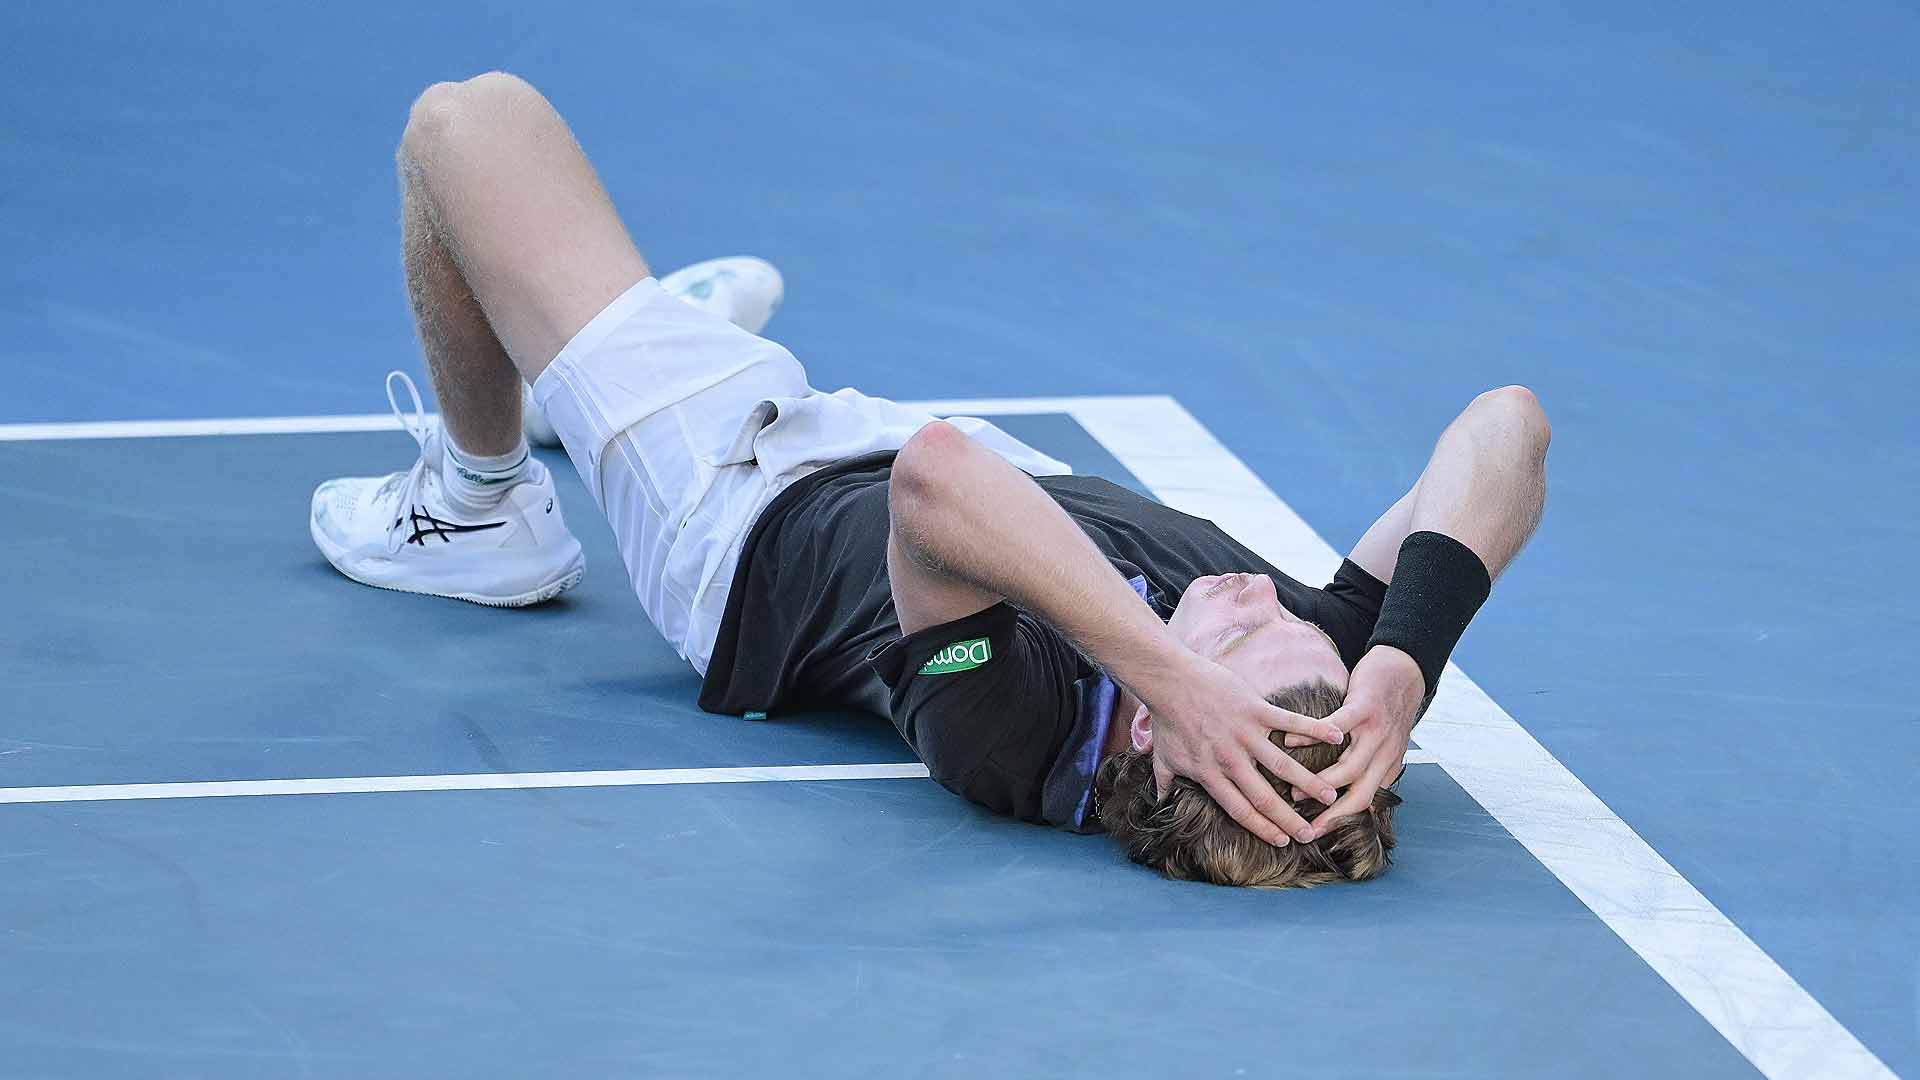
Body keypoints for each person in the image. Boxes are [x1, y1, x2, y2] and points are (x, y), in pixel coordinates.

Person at [312, 72, 1550, 887]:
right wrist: (1403, 662)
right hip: (872, 449)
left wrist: (1172, 671)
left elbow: (937, 478)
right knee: (561, 278)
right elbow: (1506, 430)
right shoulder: (1320, 691)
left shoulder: (1010, 732)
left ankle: (480, 504)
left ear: (1163, 736)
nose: (1257, 594)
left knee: (467, 128)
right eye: (1297, 628)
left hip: (742, 500)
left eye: (1234, 644)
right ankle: (606, 349)